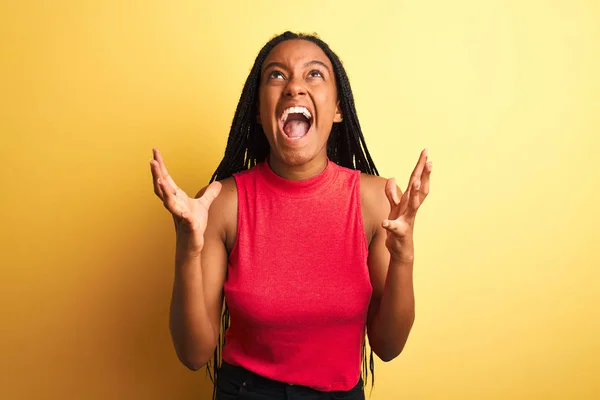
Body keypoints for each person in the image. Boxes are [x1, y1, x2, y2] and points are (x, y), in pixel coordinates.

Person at [150, 31, 432, 400]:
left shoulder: (376, 202)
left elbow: (389, 346)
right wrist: (187, 251)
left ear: (337, 108)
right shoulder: (222, 203)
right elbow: (193, 354)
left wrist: (404, 256)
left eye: (313, 74)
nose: (294, 86)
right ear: (257, 108)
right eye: (276, 75)